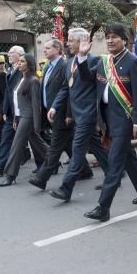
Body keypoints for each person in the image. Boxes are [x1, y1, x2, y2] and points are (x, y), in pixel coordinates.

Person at [80, 23, 137, 222]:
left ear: (124, 40)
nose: (110, 41)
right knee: (128, 158)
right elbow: (87, 78)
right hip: (107, 120)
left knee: (114, 164)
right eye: (107, 37)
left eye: (114, 37)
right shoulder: (104, 62)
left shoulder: (133, 62)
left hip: (125, 119)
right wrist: (81, 57)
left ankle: (103, 207)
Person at [48, 28, 109, 202]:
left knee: (77, 151)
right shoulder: (69, 63)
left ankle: (65, 189)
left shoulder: (94, 60)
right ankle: (114, 174)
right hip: (77, 113)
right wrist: (54, 107)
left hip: (89, 113)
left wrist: (83, 57)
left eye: (70, 40)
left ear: (81, 42)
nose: (67, 43)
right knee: (97, 147)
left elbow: (89, 79)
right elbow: (66, 88)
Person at [28, 39, 93, 190]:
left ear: (57, 50)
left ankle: (42, 177)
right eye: (43, 48)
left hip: (63, 113)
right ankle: (84, 170)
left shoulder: (64, 65)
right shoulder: (47, 67)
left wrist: (69, 113)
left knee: (55, 146)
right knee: (69, 144)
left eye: (47, 48)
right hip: (52, 111)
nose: (44, 50)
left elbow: (70, 90)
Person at [0, 54, 48, 187]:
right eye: (18, 61)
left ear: (29, 64)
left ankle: (10, 175)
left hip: (29, 117)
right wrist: (15, 118)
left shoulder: (33, 80)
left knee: (16, 145)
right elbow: (17, 102)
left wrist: (37, 125)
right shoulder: (21, 79)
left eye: (22, 61)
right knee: (37, 142)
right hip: (21, 116)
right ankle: (53, 159)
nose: (18, 63)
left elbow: (36, 104)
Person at [0, 46, 30, 175]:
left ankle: (50, 162)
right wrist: (4, 110)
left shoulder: (24, 70)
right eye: (8, 52)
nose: (8, 55)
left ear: (20, 55)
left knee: (34, 140)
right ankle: (0, 166)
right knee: (5, 138)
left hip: (22, 111)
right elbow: (8, 92)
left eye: (12, 53)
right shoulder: (10, 70)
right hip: (11, 113)